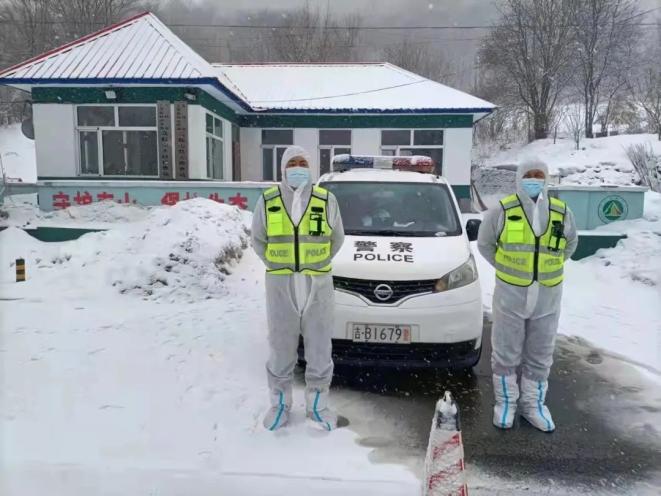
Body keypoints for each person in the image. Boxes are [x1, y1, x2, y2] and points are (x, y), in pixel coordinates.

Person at [477, 159, 578, 432]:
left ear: (546, 179)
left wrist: (547, 269)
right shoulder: (503, 209)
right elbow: (485, 244)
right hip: (511, 296)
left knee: (541, 353)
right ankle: (506, 403)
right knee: (506, 352)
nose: (534, 179)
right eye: (529, 175)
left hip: (548, 296)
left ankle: (533, 405)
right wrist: (510, 269)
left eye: (539, 175)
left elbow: (570, 244)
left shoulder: (560, 211)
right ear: (519, 178)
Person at [251, 145, 345, 431]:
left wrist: (317, 263)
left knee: (319, 346)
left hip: (317, 284)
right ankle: (279, 404)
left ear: (311, 166)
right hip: (281, 284)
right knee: (281, 345)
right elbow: (258, 239)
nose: (298, 166)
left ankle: (318, 406)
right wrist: (277, 264)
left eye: (302, 162)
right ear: (283, 168)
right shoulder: (268, 200)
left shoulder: (325, 199)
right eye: (292, 162)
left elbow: (337, 238)